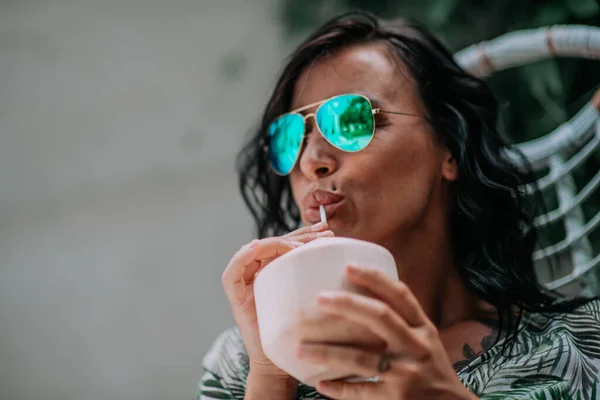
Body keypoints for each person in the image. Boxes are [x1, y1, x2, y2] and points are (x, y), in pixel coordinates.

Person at [195, 12, 600, 400]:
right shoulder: (244, 366)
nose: (310, 160)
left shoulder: (582, 347)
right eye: (290, 137)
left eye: (352, 120)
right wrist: (272, 380)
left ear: (448, 147)